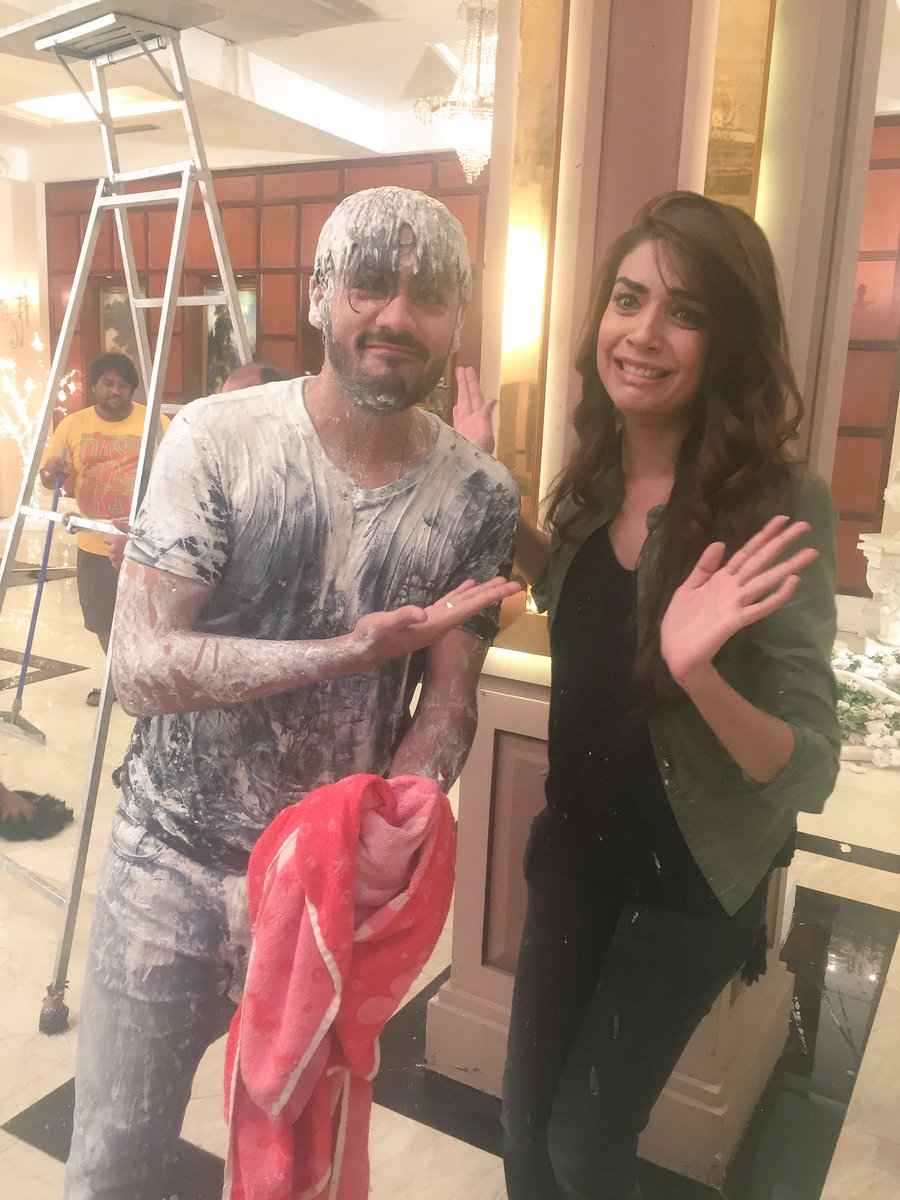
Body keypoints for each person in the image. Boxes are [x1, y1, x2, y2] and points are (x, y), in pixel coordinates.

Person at [63, 185, 520, 1200]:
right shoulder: (216, 438)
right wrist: (345, 651)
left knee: (292, 1168)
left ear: (457, 318)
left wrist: (388, 831)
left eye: (429, 295)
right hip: (168, 860)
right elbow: (140, 667)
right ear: (318, 296)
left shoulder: (478, 496)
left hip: (320, 894)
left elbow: (449, 703)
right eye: (369, 284)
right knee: (114, 1162)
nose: (396, 315)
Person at [455, 191, 840, 1200]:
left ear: (729, 342)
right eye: (628, 299)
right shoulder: (592, 475)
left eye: (686, 312)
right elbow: (569, 589)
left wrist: (697, 672)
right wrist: (490, 484)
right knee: (524, 1129)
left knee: (586, 1150)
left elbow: (811, 768)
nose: (643, 332)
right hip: (578, 853)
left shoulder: (779, 503)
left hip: (689, 887)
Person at [39, 352, 170, 705]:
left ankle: (149, 679)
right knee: (101, 618)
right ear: (95, 386)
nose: (115, 390)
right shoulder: (72, 425)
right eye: (108, 383)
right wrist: (51, 471)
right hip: (93, 543)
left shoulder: (156, 422)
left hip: (145, 544)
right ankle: (118, 678)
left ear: (132, 389)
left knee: (150, 618)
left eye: (123, 385)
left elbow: (176, 474)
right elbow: (49, 480)